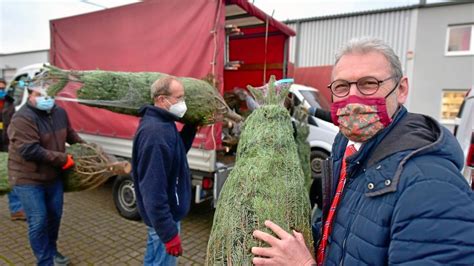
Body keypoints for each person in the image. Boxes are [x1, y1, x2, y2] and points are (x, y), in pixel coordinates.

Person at [251, 37, 474, 265]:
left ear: (402, 89)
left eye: (369, 84)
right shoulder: (347, 147)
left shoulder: (431, 184)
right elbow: (340, 231)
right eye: (342, 86)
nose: (353, 99)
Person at [7, 83, 83, 265]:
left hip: (52, 177)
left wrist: (87, 148)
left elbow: (71, 135)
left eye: (49, 93)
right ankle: (45, 261)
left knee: (54, 217)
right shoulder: (22, 118)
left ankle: (52, 251)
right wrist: (63, 159)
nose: (46, 97)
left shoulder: (59, 113)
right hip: (28, 178)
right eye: (39, 94)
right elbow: (30, 150)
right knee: (39, 220)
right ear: (30, 95)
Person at [132, 76, 197, 265]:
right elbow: (152, 191)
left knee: (153, 260)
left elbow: (176, 152)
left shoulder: (164, 123)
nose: (183, 103)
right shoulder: (155, 134)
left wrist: (191, 127)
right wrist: (169, 234)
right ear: (162, 99)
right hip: (165, 218)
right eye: (179, 98)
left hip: (165, 216)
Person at [0, 78, 26, 221]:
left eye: (3, 88)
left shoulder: (10, 103)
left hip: (7, 146)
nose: (1, 91)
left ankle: (16, 209)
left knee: (12, 177)